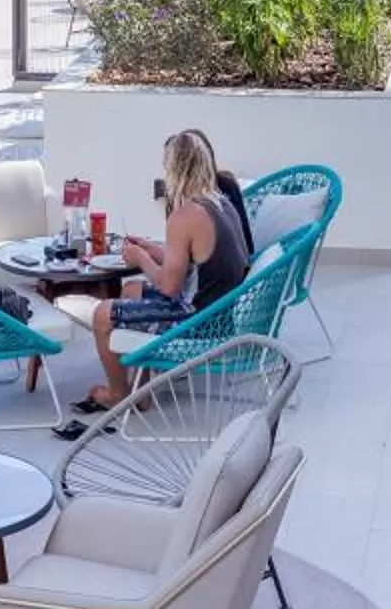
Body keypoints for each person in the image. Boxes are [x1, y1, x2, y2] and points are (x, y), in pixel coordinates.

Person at [60, 129, 251, 429]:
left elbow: (169, 287)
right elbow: (199, 260)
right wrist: (154, 250)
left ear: (175, 167)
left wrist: (141, 259)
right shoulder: (221, 202)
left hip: (196, 323)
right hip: (220, 314)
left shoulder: (185, 215)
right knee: (132, 289)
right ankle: (140, 391)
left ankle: (118, 395)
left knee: (102, 314)